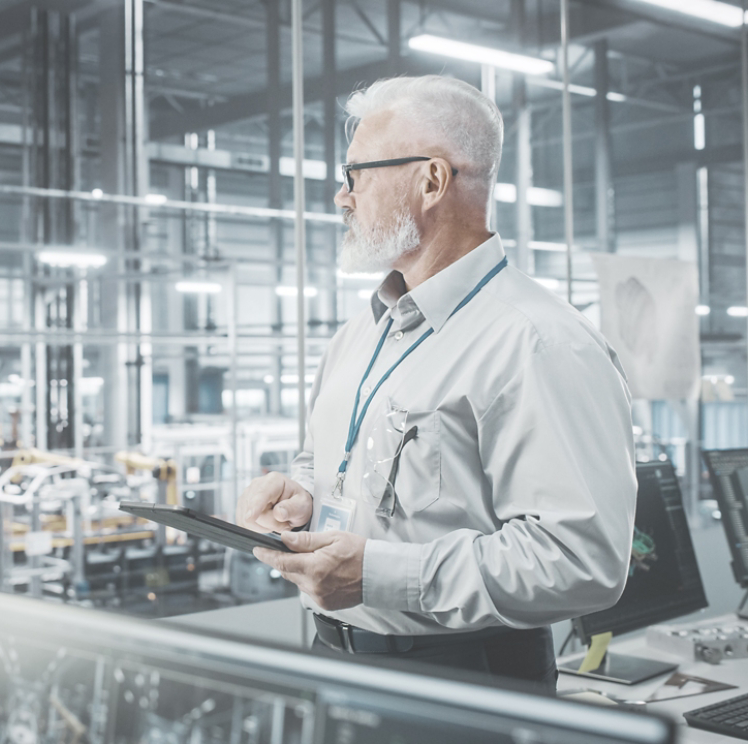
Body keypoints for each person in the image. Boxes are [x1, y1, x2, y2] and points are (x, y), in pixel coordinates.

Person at [236, 75, 637, 693]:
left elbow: (582, 562)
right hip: (332, 657)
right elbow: (332, 466)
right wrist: (301, 497)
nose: (342, 197)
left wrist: (379, 575)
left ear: (431, 180)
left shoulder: (538, 342)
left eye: (355, 175)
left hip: (465, 678)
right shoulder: (359, 335)